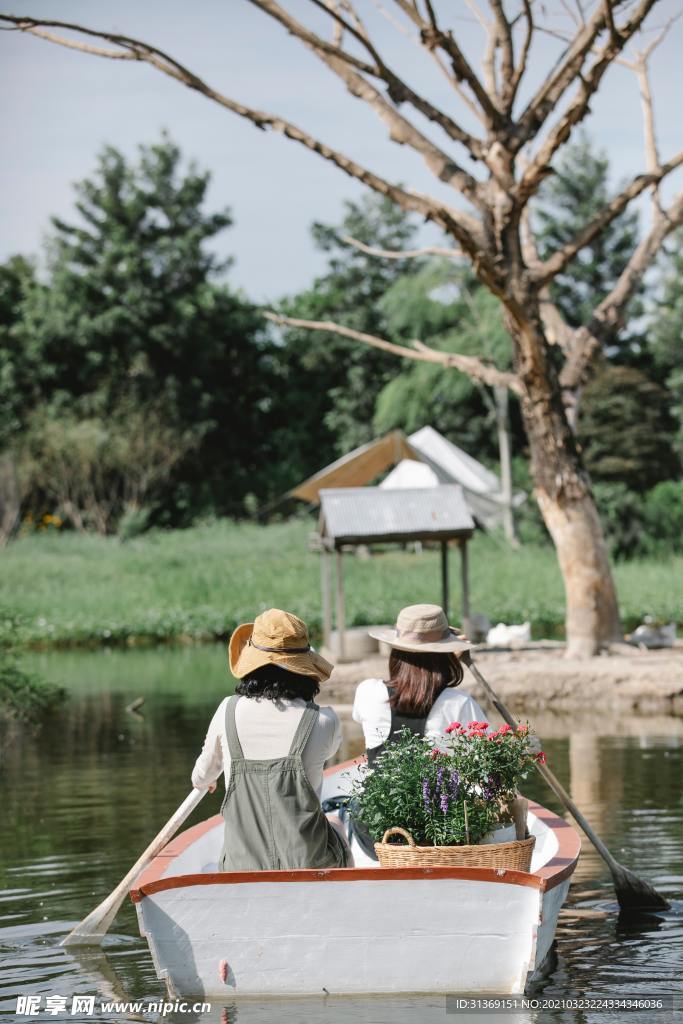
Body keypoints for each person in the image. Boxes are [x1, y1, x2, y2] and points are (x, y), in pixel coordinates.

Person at [191, 608, 351, 871]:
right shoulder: (325, 721)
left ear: (251, 665)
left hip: (242, 866)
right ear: (305, 668)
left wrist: (207, 779)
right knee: (336, 822)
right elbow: (330, 750)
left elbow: (200, 777)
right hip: (308, 865)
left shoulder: (226, 710)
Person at [353, 603, 488, 764]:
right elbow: (486, 758)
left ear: (395, 651)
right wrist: (450, 659)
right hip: (438, 782)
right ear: (443, 654)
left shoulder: (367, 691)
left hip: (379, 782)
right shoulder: (459, 703)